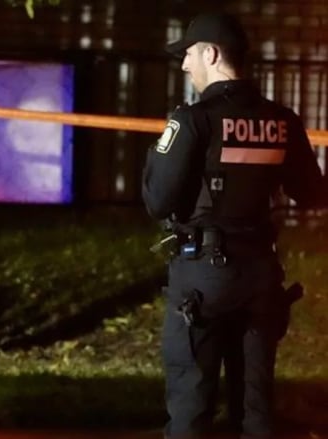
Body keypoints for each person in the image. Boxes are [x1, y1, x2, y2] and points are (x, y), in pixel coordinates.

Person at [142, 12, 324, 438]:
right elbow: (314, 194)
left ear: (211, 53)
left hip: (203, 278)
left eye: (188, 55)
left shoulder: (193, 120)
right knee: (255, 410)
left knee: (192, 404)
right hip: (261, 277)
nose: (185, 65)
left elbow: (158, 200)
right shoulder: (281, 120)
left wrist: (157, 155)